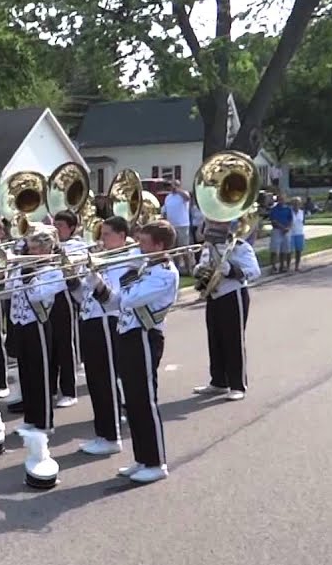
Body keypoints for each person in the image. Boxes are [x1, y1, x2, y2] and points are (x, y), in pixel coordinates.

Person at [98, 220, 180, 484]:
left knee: (145, 401)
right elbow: (115, 303)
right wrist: (95, 281)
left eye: (143, 243)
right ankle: (141, 458)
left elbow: (130, 298)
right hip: (127, 335)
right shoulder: (144, 265)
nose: (137, 246)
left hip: (145, 337)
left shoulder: (165, 273)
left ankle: (157, 462)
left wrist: (127, 269)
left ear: (160, 246)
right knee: (131, 402)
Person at [75, 216, 134, 456]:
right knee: (95, 381)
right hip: (90, 321)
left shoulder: (128, 261)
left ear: (121, 236)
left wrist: (97, 281)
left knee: (106, 380)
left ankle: (112, 436)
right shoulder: (102, 259)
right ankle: (103, 434)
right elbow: (82, 297)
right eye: (102, 233)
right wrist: (74, 281)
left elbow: (117, 300)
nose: (102, 238)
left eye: (107, 234)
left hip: (107, 323)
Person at [5, 227, 65, 433]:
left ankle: (45, 422)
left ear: (45, 250)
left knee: (41, 374)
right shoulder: (23, 267)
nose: (29, 254)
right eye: (28, 249)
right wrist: (16, 270)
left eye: (33, 249)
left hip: (38, 323)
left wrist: (28, 275)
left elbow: (38, 295)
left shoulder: (53, 271)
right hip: (20, 323)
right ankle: (30, 418)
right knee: (26, 373)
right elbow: (6, 291)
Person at [192, 223, 261, 402]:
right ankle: (219, 381)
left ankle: (238, 385)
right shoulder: (208, 249)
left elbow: (254, 272)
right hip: (213, 296)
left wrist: (232, 270)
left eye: (213, 235)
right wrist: (199, 271)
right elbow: (204, 266)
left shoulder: (240, 248)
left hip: (233, 295)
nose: (209, 238)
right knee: (214, 340)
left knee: (234, 341)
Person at [49, 211, 87, 408]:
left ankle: (69, 391)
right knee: (49, 346)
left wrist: (56, 251)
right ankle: (50, 388)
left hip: (65, 297)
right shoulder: (47, 245)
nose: (55, 230)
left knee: (65, 344)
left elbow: (74, 270)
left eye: (60, 226)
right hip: (45, 297)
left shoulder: (78, 246)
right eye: (54, 225)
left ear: (71, 228)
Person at [266, 194, 292, 273]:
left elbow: (290, 219)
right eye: (280, 199)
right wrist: (282, 228)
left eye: (283, 199)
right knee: (274, 250)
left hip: (286, 231)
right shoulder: (274, 209)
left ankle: (282, 266)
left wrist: (288, 228)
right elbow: (274, 221)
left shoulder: (288, 209)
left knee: (284, 250)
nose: (281, 201)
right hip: (277, 231)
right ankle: (273, 267)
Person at [289, 197, 306, 271]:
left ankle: (297, 266)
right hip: (291, 234)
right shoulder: (289, 212)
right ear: (292, 204)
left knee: (298, 251)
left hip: (300, 233)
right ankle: (288, 266)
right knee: (290, 251)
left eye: (298, 203)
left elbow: (303, 222)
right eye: (295, 203)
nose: (296, 205)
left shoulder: (302, 212)